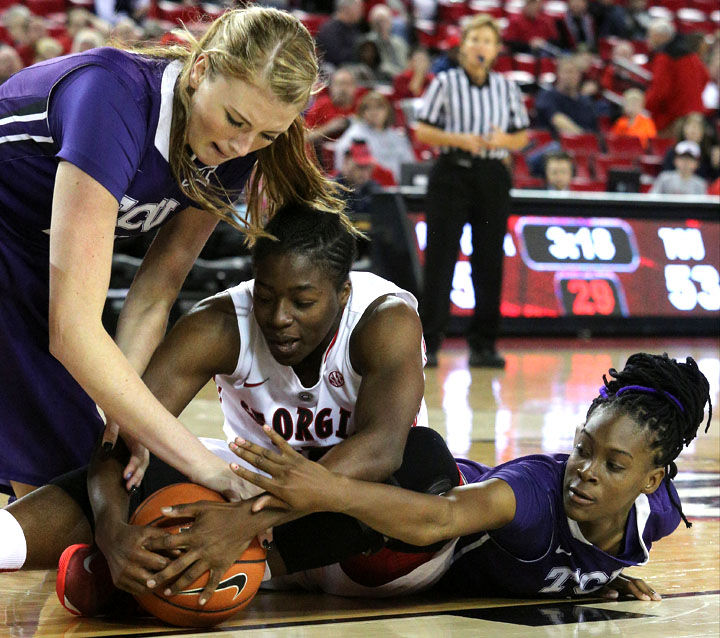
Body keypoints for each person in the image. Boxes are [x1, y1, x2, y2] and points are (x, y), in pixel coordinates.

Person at [0, 203, 458, 613]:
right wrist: (111, 530)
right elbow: (121, 439)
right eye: (266, 296)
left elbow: (382, 450)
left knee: (425, 459)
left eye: (302, 302)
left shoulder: (384, 319)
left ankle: (154, 585)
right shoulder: (217, 324)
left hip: (353, 541)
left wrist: (244, 522)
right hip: (241, 514)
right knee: (147, 462)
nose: (280, 317)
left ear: (342, 293)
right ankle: (18, 544)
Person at [0, 7, 348, 500]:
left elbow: (155, 291)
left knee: (82, 471)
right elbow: (72, 329)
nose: (241, 145)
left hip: (27, 250)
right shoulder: (112, 98)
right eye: (235, 119)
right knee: (68, 480)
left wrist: (124, 415)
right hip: (11, 247)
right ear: (201, 69)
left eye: (266, 136)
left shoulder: (232, 155)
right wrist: (209, 469)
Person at [230, 353, 713, 601]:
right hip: (401, 536)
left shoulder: (661, 514)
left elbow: (591, 554)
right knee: (425, 460)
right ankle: (252, 549)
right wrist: (328, 488)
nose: (585, 471)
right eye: (583, 449)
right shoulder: (529, 496)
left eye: (614, 465)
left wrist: (594, 578)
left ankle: (256, 559)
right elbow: (439, 519)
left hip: (397, 566)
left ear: (651, 481)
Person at [415, 15, 530, 369]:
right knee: (441, 260)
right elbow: (423, 130)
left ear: (496, 50)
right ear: (462, 46)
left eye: (487, 40)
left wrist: (502, 141)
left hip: (492, 175)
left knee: (489, 261)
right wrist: (458, 139)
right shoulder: (445, 83)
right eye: (474, 39)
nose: (480, 46)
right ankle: (429, 343)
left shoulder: (507, 88)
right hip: (451, 172)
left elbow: (521, 136)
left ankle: (484, 344)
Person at [645, 18, 709, 136]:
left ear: (660, 37)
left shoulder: (665, 57)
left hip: (674, 119)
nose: (648, 40)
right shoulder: (691, 54)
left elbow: (660, 91)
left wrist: (644, 105)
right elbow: (705, 77)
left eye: (650, 36)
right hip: (696, 116)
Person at [334, 91, 416, 181]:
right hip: (369, 188)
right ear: (362, 112)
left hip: (399, 188)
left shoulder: (397, 136)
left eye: (379, 107)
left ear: (387, 111)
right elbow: (342, 164)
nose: (374, 112)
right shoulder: (355, 135)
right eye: (368, 108)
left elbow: (410, 165)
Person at [535, 54, 599, 136]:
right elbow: (558, 120)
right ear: (558, 73)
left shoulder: (586, 101)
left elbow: (593, 129)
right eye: (566, 72)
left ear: (579, 76)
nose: (570, 76)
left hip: (583, 146)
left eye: (574, 72)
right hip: (553, 144)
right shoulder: (547, 95)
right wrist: (583, 138)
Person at [335, 142, 383, 214]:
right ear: (346, 162)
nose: (365, 173)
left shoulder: (374, 188)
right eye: (360, 167)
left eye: (368, 167)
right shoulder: (332, 190)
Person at [314, 0, 364, 69]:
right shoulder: (329, 30)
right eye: (359, 8)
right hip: (334, 71)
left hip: (353, 67)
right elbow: (336, 57)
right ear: (347, 9)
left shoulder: (353, 28)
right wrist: (360, 54)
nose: (362, 12)